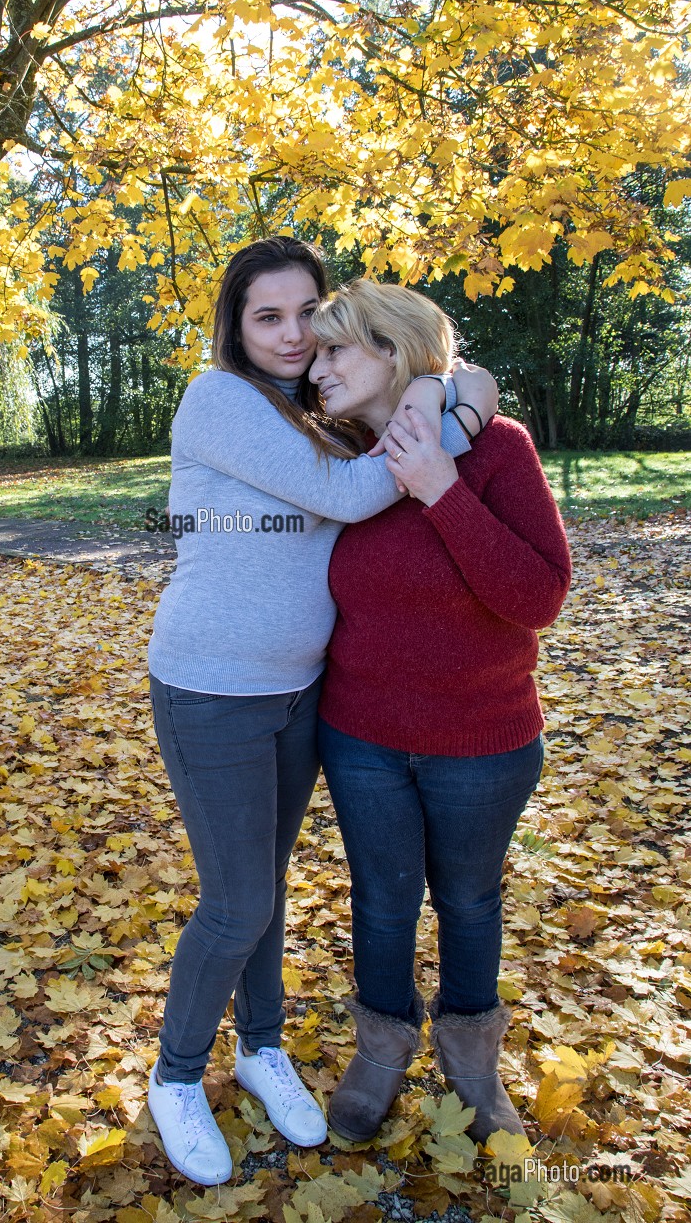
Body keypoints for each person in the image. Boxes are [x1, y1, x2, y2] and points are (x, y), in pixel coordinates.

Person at [145, 237, 498, 1186]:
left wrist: (447, 385)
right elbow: (347, 494)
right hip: (212, 688)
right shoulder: (216, 397)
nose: (294, 334)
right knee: (236, 903)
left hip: (301, 689)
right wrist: (460, 408)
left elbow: (426, 384)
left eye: (308, 312)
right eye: (268, 317)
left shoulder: (313, 407)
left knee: (264, 888)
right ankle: (175, 1076)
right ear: (235, 328)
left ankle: (260, 1049)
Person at [308, 278, 571, 1145]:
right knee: (381, 904)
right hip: (361, 738)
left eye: (335, 348)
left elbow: (538, 596)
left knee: (467, 900)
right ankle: (380, 1049)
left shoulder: (498, 449)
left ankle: (469, 1058)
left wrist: (441, 489)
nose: (316, 368)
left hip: (482, 741)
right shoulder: (337, 459)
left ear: (391, 351)